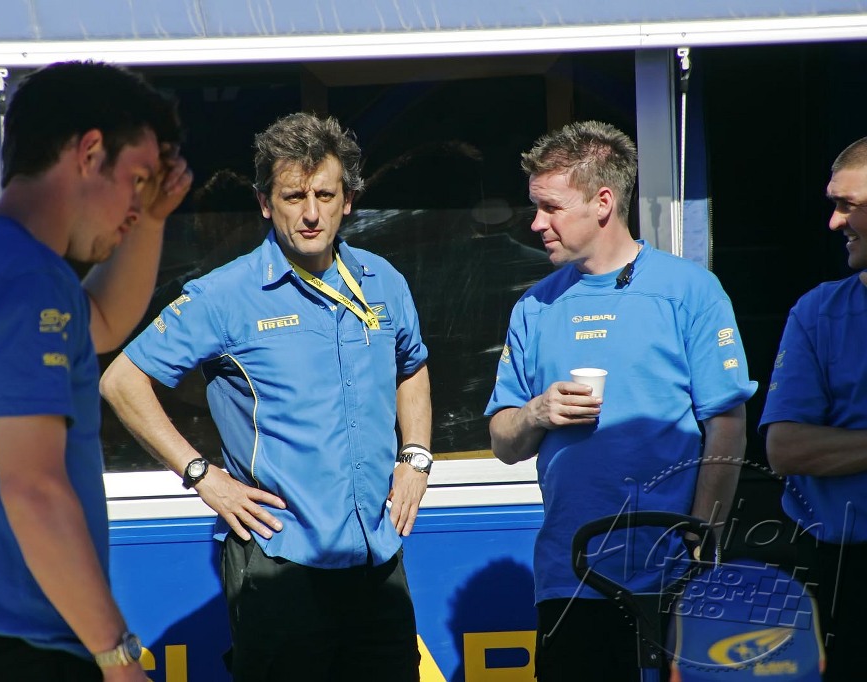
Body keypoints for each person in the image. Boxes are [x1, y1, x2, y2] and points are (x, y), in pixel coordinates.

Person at [100, 112, 431, 681]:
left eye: (325, 195)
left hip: (375, 556)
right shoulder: (224, 294)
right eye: (293, 196)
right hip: (279, 559)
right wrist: (202, 475)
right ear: (263, 203)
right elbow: (122, 381)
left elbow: (412, 366)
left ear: (348, 200)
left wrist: (416, 455)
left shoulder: (383, 281)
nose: (311, 213)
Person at [0, 60, 192, 682]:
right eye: (136, 180)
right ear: (89, 153)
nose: (136, 207)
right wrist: (117, 657)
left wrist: (154, 218)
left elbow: (100, 321)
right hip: (15, 656)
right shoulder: (28, 280)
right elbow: (34, 487)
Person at [485, 120, 756, 682]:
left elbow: (727, 422)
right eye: (536, 207)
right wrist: (536, 412)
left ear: (603, 202)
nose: (536, 223)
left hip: (671, 577)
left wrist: (701, 537)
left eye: (551, 207)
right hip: (568, 578)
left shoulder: (689, 290)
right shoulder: (535, 307)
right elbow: (503, 443)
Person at [759, 135, 867, 681]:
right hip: (846, 571)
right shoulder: (820, 311)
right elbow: (785, 448)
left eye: (848, 204)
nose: (834, 221)